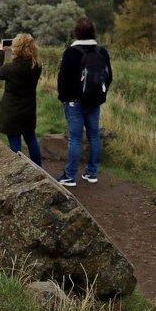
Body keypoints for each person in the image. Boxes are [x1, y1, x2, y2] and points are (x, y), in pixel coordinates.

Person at [55, 17, 112, 187]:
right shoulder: (102, 52)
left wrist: (64, 98)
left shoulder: (71, 52)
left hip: (74, 102)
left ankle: (70, 176)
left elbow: (62, 79)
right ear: (93, 32)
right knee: (94, 136)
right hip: (95, 101)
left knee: (75, 138)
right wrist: (100, 94)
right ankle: (92, 173)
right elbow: (109, 77)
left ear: (76, 32)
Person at [0, 33, 42, 165]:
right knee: (31, 140)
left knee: (15, 143)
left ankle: (18, 169)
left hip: (12, 111)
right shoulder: (37, 66)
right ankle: (38, 167)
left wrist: (1, 51)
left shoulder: (11, 68)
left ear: (17, 48)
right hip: (28, 109)